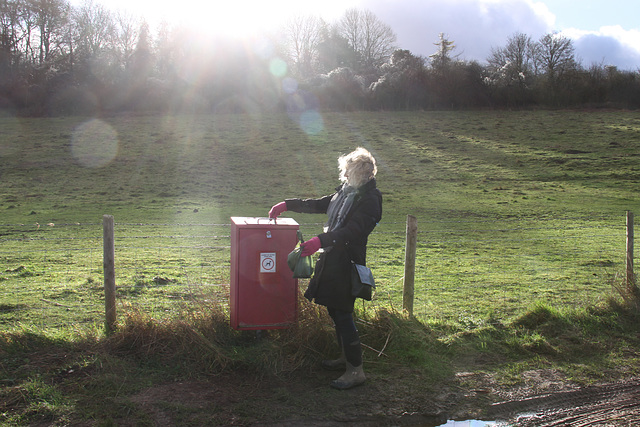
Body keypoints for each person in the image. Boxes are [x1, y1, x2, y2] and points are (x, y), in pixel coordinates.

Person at [269, 147, 382, 390]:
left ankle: (355, 371)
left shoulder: (370, 199)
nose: (344, 174)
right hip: (332, 258)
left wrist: (319, 241)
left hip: (347, 262)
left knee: (342, 313)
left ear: (359, 173)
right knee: (335, 310)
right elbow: (322, 204)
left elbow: (354, 231)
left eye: (349, 170)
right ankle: (345, 358)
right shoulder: (346, 192)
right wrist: (287, 204)